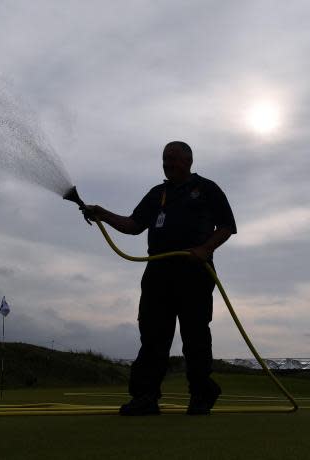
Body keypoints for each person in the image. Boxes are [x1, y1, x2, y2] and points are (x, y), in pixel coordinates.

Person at [83, 141, 236, 415]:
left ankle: (202, 394)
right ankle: (145, 397)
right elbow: (133, 225)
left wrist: (204, 249)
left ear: (188, 161)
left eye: (174, 158)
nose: (168, 163)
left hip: (195, 273)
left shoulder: (207, 189)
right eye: (165, 159)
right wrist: (102, 214)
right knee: (153, 335)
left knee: (195, 335)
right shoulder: (157, 193)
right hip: (158, 273)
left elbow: (227, 226)